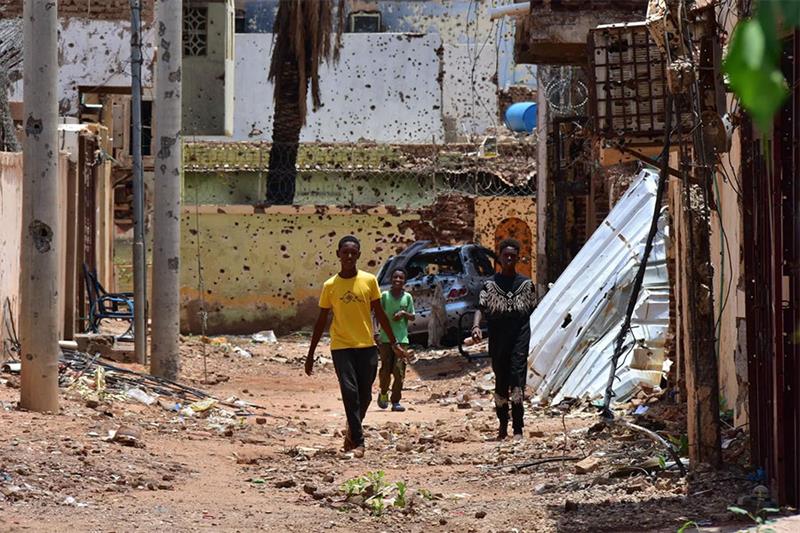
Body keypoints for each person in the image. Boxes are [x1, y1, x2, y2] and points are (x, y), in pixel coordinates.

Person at [304, 235, 402, 458]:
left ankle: (351, 430)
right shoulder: (330, 286)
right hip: (341, 347)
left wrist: (394, 342)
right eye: (345, 252)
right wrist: (310, 355)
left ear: (358, 255)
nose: (349, 256)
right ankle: (359, 442)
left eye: (353, 252)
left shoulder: (369, 281)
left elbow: (380, 313)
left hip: (367, 345)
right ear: (338, 254)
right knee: (350, 392)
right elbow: (321, 322)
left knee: (365, 396)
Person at [471, 239, 537, 441]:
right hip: (498, 339)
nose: (509, 258)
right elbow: (480, 307)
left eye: (512, 255)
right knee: (500, 381)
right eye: (505, 255)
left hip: (519, 337)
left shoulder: (526, 285)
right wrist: (475, 326)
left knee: (517, 380)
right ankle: (502, 425)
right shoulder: (489, 285)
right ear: (499, 257)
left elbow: (532, 310)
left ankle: (518, 427)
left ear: (517, 258)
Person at [376, 268, 415, 412]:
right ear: (391, 279)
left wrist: (404, 313)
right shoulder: (385, 296)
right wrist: (376, 334)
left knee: (399, 371)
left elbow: (413, 316)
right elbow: (377, 314)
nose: (398, 280)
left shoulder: (408, 297)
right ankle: (384, 392)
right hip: (386, 340)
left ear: (405, 281)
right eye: (395, 277)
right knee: (385, 369)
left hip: (402, 340)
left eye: (401, 278)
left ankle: (396, 401)